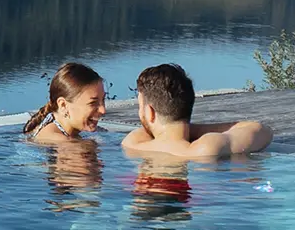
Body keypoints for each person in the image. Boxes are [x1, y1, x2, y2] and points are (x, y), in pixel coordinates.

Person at [122, 63, 272, 159]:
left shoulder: (133, 143)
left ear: (150, 112)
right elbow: (262, 131)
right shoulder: (204, 149)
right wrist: (186, 128)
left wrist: (174, 128)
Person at [23, 61, 107, 143]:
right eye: (92, 103)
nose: (103, 110)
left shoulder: (65, 134)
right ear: (63, 105)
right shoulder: (61, 142)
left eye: (103, 100)